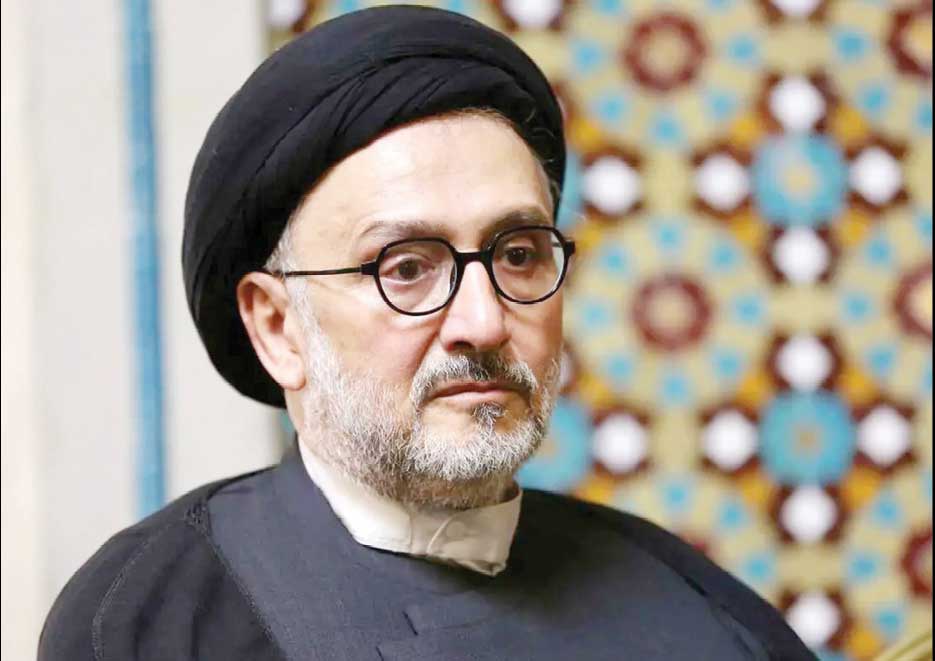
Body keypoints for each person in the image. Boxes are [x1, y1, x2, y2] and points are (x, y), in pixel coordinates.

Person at [39, 6, 815, 660]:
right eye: (406, 267)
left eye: (517, 255)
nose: (483, 321)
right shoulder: (160, 618)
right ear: (277, 326)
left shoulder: (695, 606)